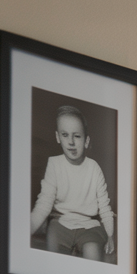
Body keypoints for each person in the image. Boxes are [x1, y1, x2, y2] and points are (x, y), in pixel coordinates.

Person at [30, 105, 114, 260]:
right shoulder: (54, 164)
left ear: (86, 141)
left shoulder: (94, 168)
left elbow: (104, 206)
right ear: (58, 137)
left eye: (77, 136)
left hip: (90, 226)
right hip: (61, 222)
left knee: (92, 251)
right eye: (65, 135)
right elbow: (44, 204)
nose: (71, 142)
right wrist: (27, 229)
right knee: (53, 247)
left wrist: (110, 235)